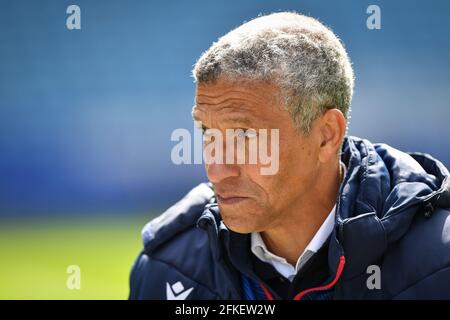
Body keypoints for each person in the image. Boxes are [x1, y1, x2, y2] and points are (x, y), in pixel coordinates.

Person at [129, 12, 450, 300]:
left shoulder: (439, 264)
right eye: (208, 134)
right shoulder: (167, 271)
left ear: (326, 135)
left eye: (245, 136)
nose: (216, 170)